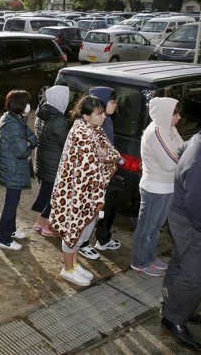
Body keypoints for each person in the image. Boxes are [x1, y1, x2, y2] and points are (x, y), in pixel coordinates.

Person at [160, 105, 201, 352]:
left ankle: (172, 303)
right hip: (191, 220)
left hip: (184, 214)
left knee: (180, 261)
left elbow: (182, 148)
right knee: (196, 279)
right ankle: (174, 318)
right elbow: (196, 205)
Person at [50, 96, 121, 286]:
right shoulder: (81, 133)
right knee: (73, 228)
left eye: (103, 113)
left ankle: (73, 264)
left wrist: (105, 154)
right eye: (99, 114)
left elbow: (108, 152)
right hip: (75, 194)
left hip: (86, 193)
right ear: (86, 115)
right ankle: (68, 268)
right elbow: (92, 164)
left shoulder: (93, 129)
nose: (103, 117)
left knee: (82, 230)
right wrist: (103, 155)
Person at [131, 98, 183, 277]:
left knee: (157, 226)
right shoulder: (155, 132)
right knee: (147, 227)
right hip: (154, 188)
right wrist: (182, 158)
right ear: (166, 114)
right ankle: (139, 261)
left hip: (168, 187)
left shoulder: (170, 129)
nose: (179, 117)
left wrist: (182, 157)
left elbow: (182, 150)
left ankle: (150, 257)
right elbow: (171, 162)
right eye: (175, 114)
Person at [79, 87, 121, 260]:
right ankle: (82, 244)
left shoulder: (107, 121)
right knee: (89, 211)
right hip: (93, 179)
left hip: (104, 176)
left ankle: (100, 238)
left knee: (103, 208)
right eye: (112, 101)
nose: (115, 105)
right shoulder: (88, 129)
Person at [0, 90, 38, 250]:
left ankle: (11, 230)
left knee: (13, 201)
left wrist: (30, 141)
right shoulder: (12, 123)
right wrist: (29, 144)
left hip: (14, 168)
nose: (29, 105)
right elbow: (22, 151)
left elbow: (32, 137)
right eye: (26, 103)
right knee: (10, 204)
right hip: (12, 169)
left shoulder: (16, 118)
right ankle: (3, 238)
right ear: (19, 105)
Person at [31, 86, 70, 238]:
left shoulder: (42, 113)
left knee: (44, 192)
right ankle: (47, 227)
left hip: (42, 161)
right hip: (54, 164)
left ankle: (39, 223)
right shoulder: (59, 120)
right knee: (53, 196)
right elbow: (66, 143)